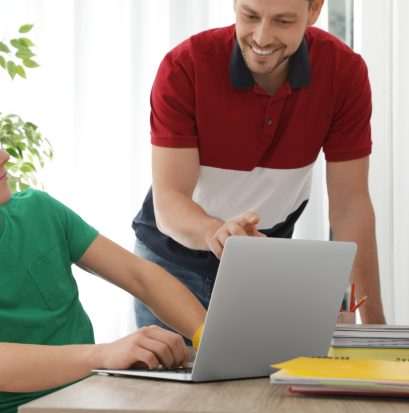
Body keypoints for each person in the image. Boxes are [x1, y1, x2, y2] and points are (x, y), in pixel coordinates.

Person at [0, 87, 206, 413]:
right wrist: (104, 356)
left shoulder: (38, 210)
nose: (2, 156)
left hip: (95, 398)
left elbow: (140, 276)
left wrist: (206, 335)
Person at [132, 0, 386, 330]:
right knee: (170, 382)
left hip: (264, 265)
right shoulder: (185, 67)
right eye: (250, 16)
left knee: (270, 382)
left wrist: (377, 329)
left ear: (314, 11)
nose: (262, 37)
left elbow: (350, 207)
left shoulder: (343, 73)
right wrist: (217, 233)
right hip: (171, 265)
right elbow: (169, 202)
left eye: (282, 21)